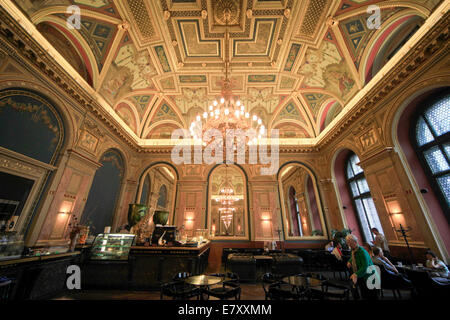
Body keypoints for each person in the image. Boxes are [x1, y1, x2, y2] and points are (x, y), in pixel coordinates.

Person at [346, 234, 379, 300]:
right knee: (364, 294)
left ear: (355, 242)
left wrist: (355, 274)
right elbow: (353, 257)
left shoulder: (362, 252)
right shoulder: (354, 250)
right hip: (362, 275)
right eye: (348, 243)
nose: (349, 245)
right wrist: (349, 261)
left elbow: (365, 266)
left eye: (350, 243)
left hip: (369, 276)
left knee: (371, 296)